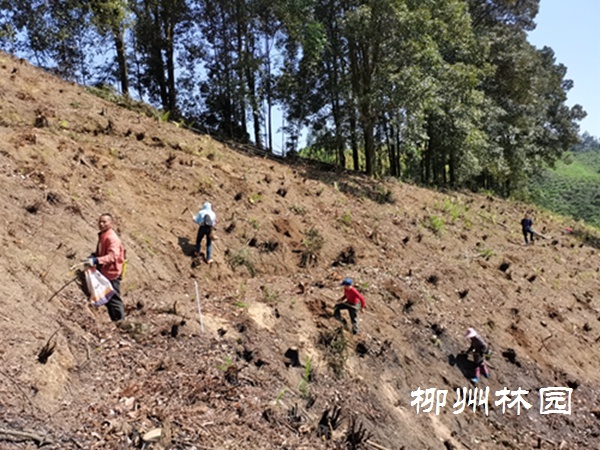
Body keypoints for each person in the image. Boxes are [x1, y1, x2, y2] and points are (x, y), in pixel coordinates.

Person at [84, 213, 126, 322]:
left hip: (112, 272)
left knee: (114, 299)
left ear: (111, 223)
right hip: (105, 271)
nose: (101, 224)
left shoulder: (112, 238)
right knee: (108, 298)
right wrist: (94, 256)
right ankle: (116, 321)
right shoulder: (103, 235)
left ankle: (121, 322)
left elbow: (113, 256)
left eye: (104, 222)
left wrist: (97, 260)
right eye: (100, 222)